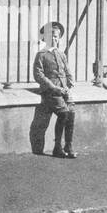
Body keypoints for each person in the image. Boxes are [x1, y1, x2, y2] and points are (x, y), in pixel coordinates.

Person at [30, 21, 76, 158]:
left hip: (63, 91)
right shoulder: (41, 55)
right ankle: (57, 147)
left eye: (57, 36)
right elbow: (38, 75)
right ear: (45, 39)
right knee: (64, 114)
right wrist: (54, 88)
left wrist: (68, 86)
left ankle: (68, 145)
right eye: (51, 37)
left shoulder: (61, 54)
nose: (54, 39)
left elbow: (68, 73)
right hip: (50, 92)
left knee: (71, 114)